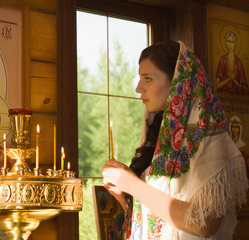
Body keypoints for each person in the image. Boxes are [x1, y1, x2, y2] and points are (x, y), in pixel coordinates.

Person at [101, 41, 248, 239]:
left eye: (148, 79)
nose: (138, 88)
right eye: (140, 78)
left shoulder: (209, 140)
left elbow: (204, 223)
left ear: (179, 82)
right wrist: (123, 195)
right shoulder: (161, 141)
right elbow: (156, 221)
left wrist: (133, 184)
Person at [216, 31, 248, 95]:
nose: (230, 44)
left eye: (232, 42)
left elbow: (245, 89)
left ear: (235, 44)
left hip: (237, 98)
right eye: (228, 41)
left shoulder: (238, 62)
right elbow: (217, 86)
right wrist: (229, 79)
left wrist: (234, 80)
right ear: (225, 43)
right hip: (223, 96)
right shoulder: (223, 60)